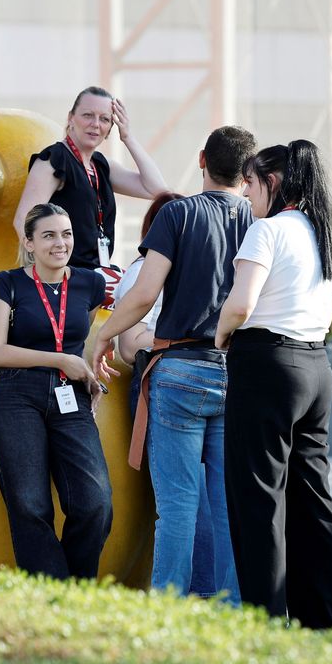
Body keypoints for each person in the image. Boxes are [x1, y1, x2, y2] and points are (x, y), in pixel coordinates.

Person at [91, 125, 257, 599]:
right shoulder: (259, 221)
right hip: (236, 372)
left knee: (179, 505)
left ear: (202, 159)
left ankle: (168, 612)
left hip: (178, 369)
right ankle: (233, 612)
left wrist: (105, 334)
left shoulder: (178, 215)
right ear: (248, 173)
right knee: (229, 506)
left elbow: (144, 293)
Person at [215, 139, 332, 633]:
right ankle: (325, 626)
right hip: (315, 367)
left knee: (258, 502)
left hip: (266, 363)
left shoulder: (266, 231)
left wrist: (221, 336)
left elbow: (239, 304)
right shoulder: (321, 233)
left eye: (250, 182)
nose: (245, 192)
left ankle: (267, 626)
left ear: (273, 182)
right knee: (314, 499)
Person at [0, 203, 111, 579]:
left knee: (95, 503)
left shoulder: (90, 283)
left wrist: (90, 365)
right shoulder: (7, 282)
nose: (60, 243)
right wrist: (59, 360)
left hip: (71, 394)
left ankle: (72, 590)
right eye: (49, 235)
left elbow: (82, 338)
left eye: (66, 233)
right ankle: (52, 596)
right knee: (29, 504)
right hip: (16, 394)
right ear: (29, 242)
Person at [112, 191, 225, 600]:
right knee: (193, 500)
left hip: (176, 375)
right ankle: (214, 599)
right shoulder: (146, 272)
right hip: (171, 379)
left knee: (191, 501)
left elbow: (133, 339)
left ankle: (186, 599)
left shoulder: (191, 271)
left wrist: (157, 338)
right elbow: (130, 344)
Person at [13, 86, 166, 270]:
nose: (95, 124)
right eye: (87, 115)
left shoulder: (101, 165)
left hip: (99, 273)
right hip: (68, 277)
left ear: (111, 127)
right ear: (71, 117)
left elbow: (157, 190)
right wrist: (52, 272)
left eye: (104, 119)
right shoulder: (55, 159)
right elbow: (23, 220)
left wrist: (128, 137)